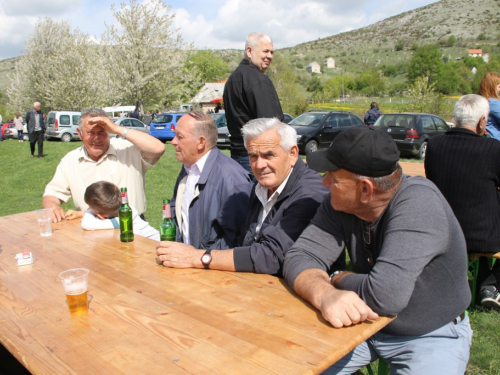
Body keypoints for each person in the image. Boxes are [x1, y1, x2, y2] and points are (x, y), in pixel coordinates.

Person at [283, 126, 472, 374]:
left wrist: (337, 278)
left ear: (365, 190)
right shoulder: (338, 203)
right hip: (363, 325)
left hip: (430, 333)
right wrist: (325, 294)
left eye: (333, 177)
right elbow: (299, 257)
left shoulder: (420, 203)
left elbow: (385, 296)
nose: (324, 182)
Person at [156, 118, 328, 277]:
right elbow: (246, 240)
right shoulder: (263, 185)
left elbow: (271, 257)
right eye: (253, 156)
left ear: (293, 153)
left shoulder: (309, 194)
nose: (259, 165)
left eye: (269, 155)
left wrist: (198, 257)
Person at [425, 94, 500, 310]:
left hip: (443, 230)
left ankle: (486, 284)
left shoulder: (435, 145)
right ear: (482, 122)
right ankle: (492, 285)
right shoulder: (493, 149)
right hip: (482, 237)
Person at [42, 107, 165, 223]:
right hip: (91, 228)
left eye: (102, 132)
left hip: (131, 225)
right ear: (79, 134)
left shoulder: (127, 149)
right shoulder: (70, 160)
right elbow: (52, 194)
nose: (97, 138)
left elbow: (158, 148)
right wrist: (52, 207)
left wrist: (117, 129)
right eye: (90, 132)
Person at [169, 112, 253, 249]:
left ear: (201, 142)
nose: (173, 141)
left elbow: (241, 241)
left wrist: (201, 258)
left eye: (180, 137)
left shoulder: (232, 180)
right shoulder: (188, 167)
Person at [223, 32, 284, 174]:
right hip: (258, 157)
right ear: (249, 51)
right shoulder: (257, 79)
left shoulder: (232, 79)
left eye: (272, 52)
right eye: (265, 51)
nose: (270, 56)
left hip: (237, 156)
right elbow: (272, 125)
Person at [65, 181, 160, 241]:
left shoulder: (122, 219)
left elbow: (86, 224)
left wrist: (88, 212)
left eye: (89, 208)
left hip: (155, 244)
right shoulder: (126, 208)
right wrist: (80, 213)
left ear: (101, 216)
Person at [478, 72, 500, 140]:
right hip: (495, 142)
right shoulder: (493, 103)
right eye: (499, 86)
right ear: (492, 87)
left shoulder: (480, 100)